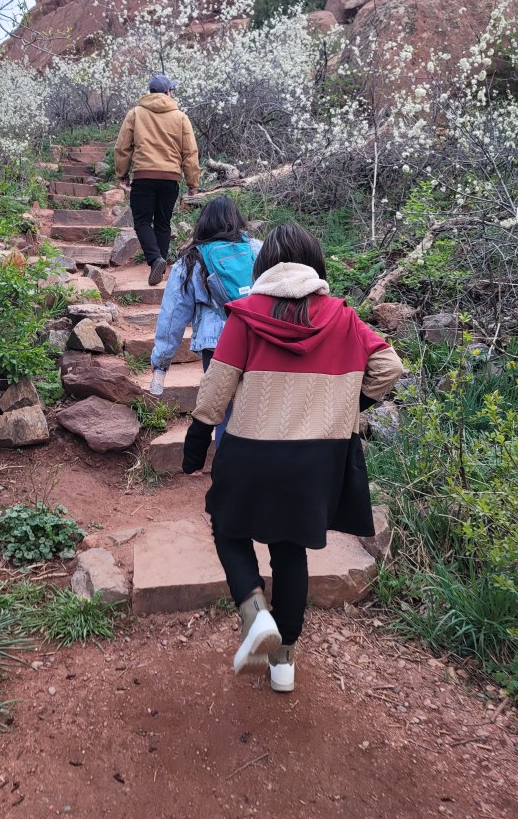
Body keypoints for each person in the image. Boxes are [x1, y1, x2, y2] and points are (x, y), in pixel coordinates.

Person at [181, 222, 403, 692]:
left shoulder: (245, 316)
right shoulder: (343, 317)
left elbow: (217, 385)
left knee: (228, 526)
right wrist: (348, 405)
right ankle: (283, 662)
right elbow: (389, 366)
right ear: (315, 264)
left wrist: (197, 439)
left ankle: (254, 612)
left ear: (262, 267)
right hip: (316, 461)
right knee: (290, 549)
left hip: (251, 452)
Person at [149, 197, 261, 445]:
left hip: (217, 345)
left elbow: (172, 316)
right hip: (259, 338)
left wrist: (161, 363)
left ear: (203, 223)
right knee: (256, 407)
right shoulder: (258, 250)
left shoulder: (192, 259)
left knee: (222, 409)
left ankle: (225, 464)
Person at [114, 73, 200, 286]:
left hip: (144, 176)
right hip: (170, 179)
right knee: (163, 223)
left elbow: (122, 147)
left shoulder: (135, 113)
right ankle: (158, 268)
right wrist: (192, 182)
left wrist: (122, 173)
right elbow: (190, 152)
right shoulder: (180, 117)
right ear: (168, 92)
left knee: (142, 221)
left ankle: (155, 260)